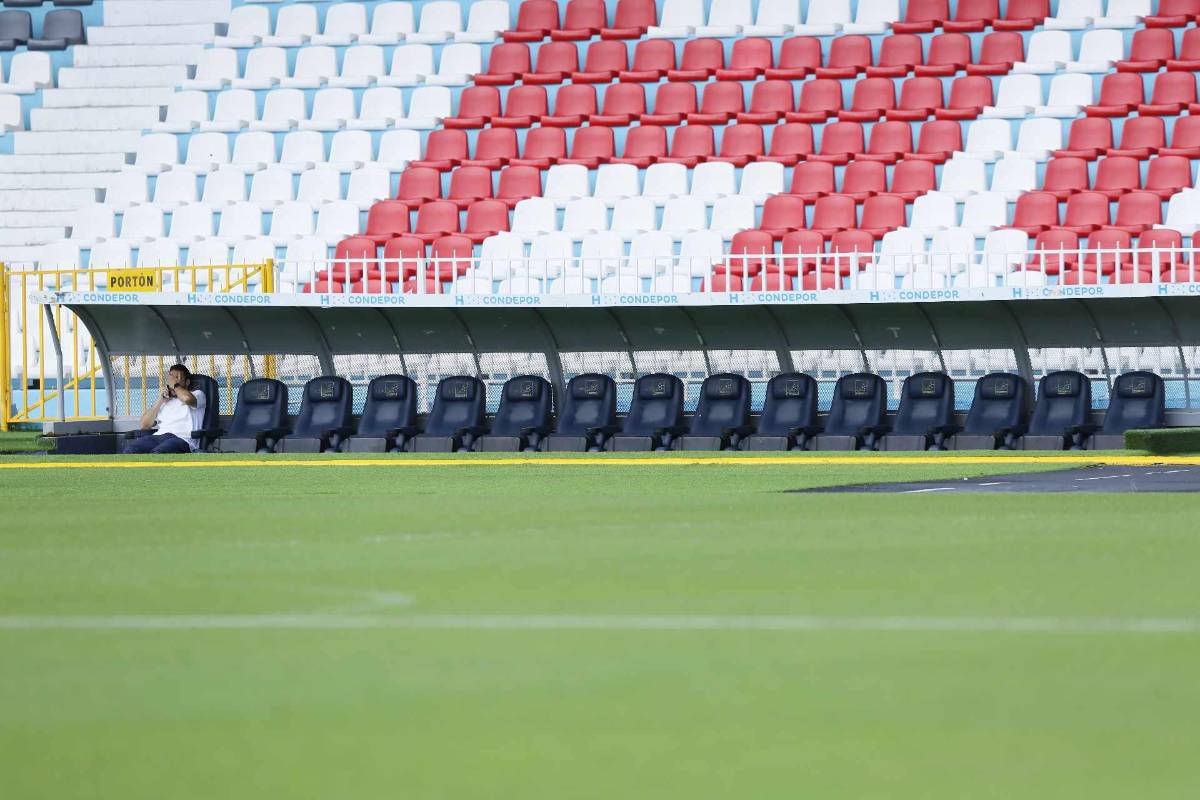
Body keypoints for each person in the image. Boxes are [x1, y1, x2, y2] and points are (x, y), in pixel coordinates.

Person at [121, 364, 207, 454]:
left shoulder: (197, 394)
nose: (172, 380)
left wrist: (175, 385)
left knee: (159, 452)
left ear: (187, 382)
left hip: (182, 439)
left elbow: (187, 399)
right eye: (171, 377)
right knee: (131, 450)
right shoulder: (165, 401)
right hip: (159, 436)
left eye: (177, 377)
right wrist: (160, 400)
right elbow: (144, 425)